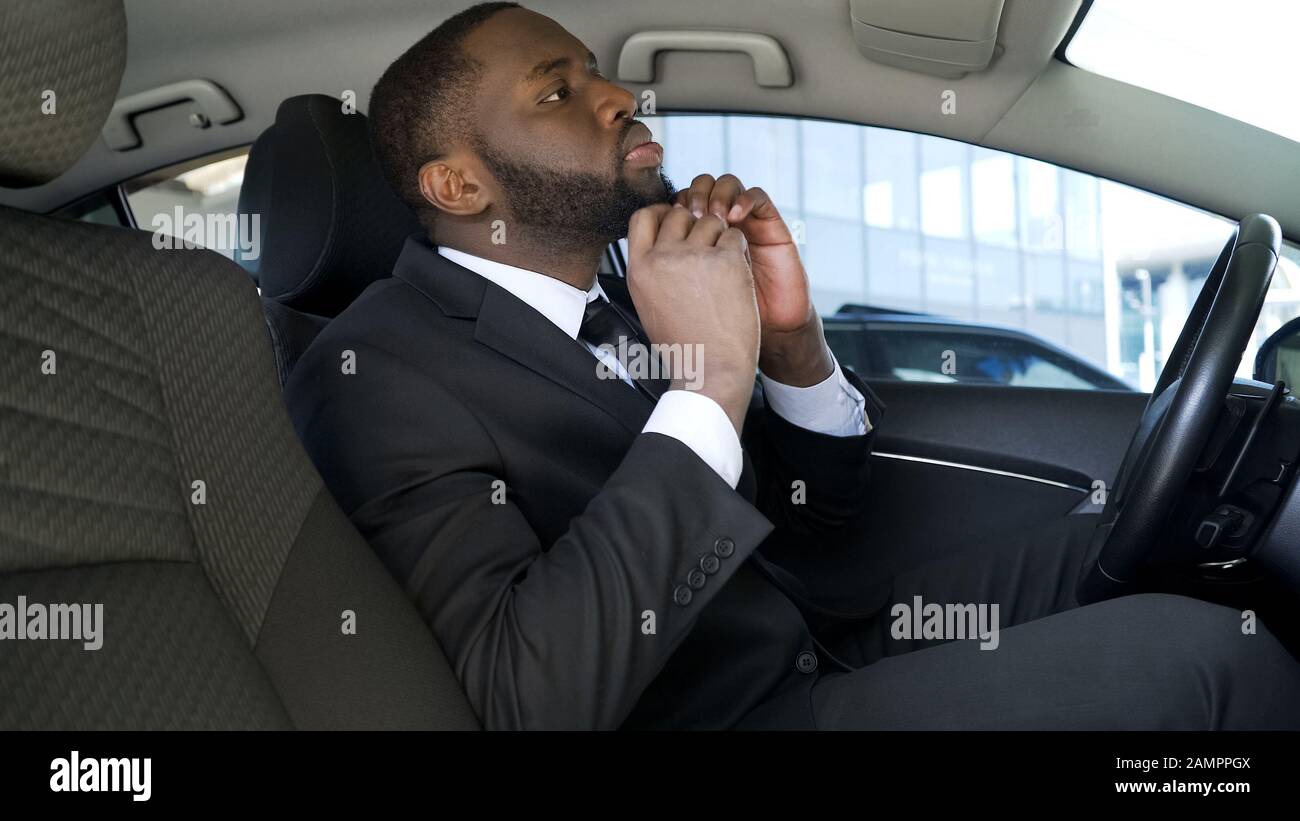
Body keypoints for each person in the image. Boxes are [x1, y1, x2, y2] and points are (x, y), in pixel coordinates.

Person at [284, 2, 1300, 729]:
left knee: (1137, 557)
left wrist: (786, 345)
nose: (617, 94)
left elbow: (810, 522)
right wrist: (708, 387)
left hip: (817, 637)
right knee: (1211, 661)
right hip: (734, 712)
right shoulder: (372, 375)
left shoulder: (619, 296)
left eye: (595, 69)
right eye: (558, 89)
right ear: (459, 181)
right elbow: (523, 696)